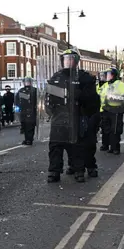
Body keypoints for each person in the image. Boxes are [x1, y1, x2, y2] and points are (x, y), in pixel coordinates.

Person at [46, 48, 95, 183]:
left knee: (76, 145)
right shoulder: (56, 77)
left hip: (76, 115)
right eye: (66, 59)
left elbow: (92, 100)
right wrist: (49, 110)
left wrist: (84, 104)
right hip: (59, 117)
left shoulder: (84, 78)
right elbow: (48, 97)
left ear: (77, 61)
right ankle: (54, 171)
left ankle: (79, 170)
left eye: (72, 59)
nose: (68, 62)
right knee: (55, 146)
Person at [99, 67, 124, 155]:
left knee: (115, 130)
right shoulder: (105, 85)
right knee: (106, 129)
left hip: (116, 110)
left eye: (108, 74)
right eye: (106, 75)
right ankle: (109, 146)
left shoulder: (121, 85)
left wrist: (115, 99)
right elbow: (100, 94)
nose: (107, 76)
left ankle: (115, 148)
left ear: (114, 75)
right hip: (105, 110)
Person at [16, 77, 38, 145]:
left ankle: (30, 139)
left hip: (32, 110)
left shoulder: (34, 90)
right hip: (23, 111)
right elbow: (17, 100)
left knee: (30, 125)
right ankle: (26, 139)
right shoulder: (21, 90)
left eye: (28, 81)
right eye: (26, 81)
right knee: (25, 126)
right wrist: (18, 107)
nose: (27, 83)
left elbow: (37, 100)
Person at [97, 69, 110, 151]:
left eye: (103, 76)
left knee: (106, 129)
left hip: (106, 110)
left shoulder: (109, 86)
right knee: (100, 129)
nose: (102, 78)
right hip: (97, 111)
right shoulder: (97, 86)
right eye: (101, 76)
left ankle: (106, 145)